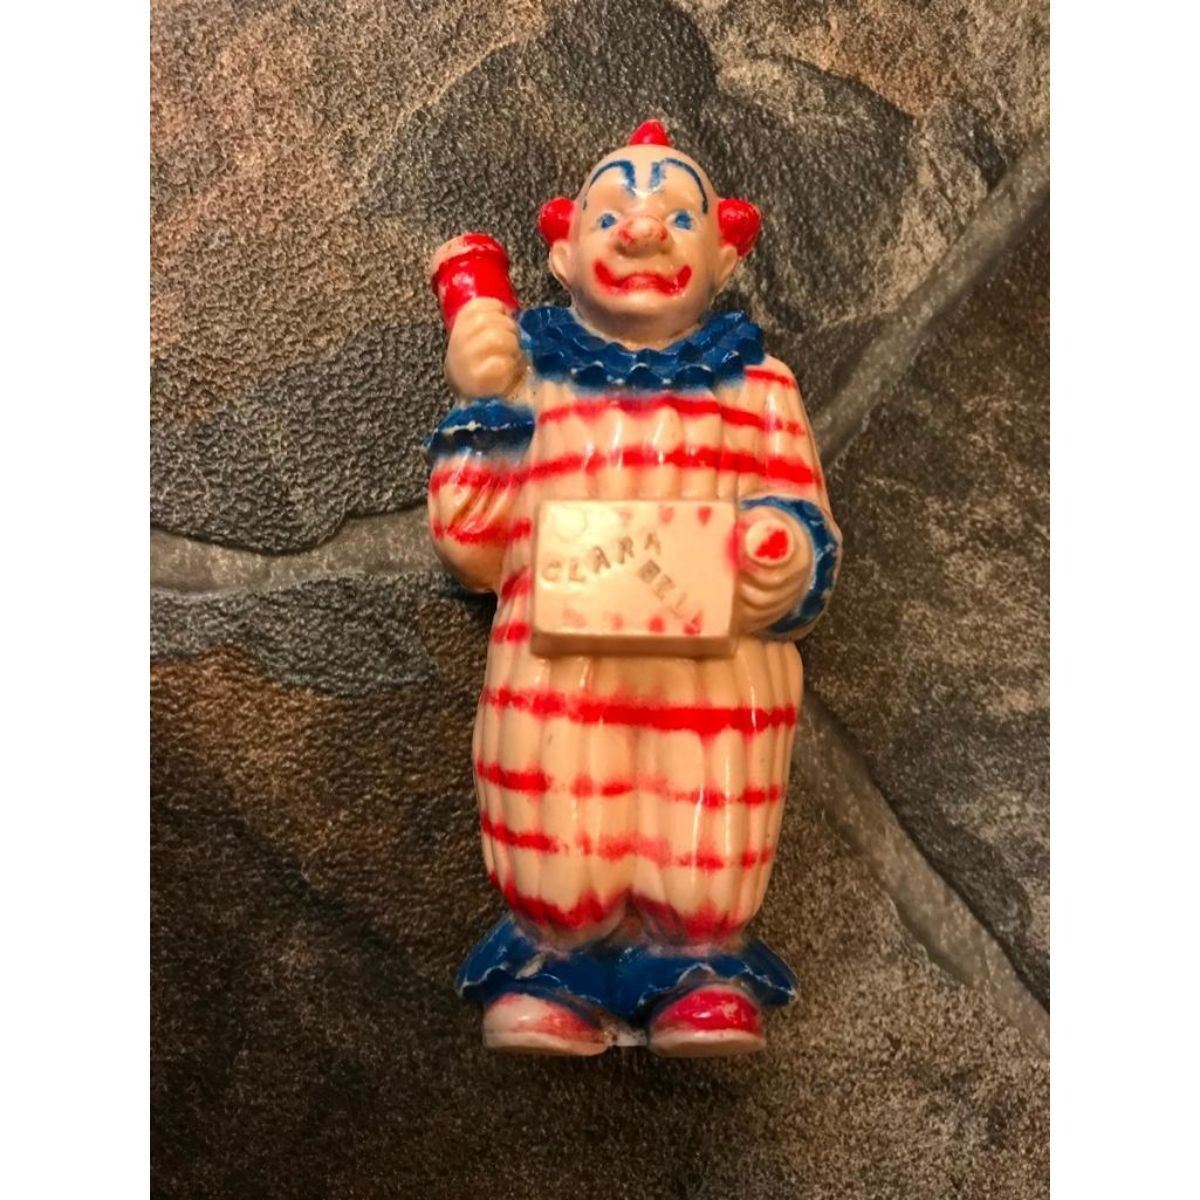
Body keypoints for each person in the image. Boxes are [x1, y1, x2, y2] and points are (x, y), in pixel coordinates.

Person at [426, 120, 841, 1056]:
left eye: (679, 216)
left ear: (725, 257)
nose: (644, 229)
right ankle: (555, 966)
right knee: (559, 821)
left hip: (713, 676)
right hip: (556, 672)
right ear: (563, 254)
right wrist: (482, 404)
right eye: (611, 213)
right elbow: (471, 546)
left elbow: (799, 518)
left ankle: (698, 967)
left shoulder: (758, 389)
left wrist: (778, 553)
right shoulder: (531, 384)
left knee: (704, 826)